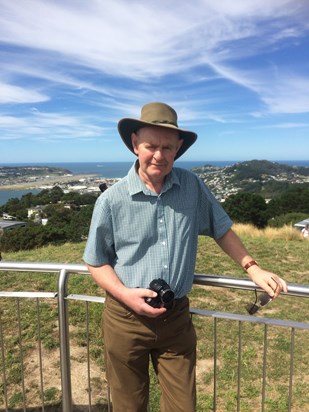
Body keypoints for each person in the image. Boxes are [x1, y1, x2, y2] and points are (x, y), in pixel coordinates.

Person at [83, 102, 287, 412]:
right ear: (136, 144)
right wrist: (125, 294)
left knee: (183, 406)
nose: (159, 155)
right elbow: (96, 261)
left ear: (178, 148)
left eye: (168, 147)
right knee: (128, 405)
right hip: (126, 318)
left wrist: (252, 268)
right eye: (151, 146)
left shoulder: (192, 186)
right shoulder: (112, 201)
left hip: (175, 317)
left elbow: (222, 229)